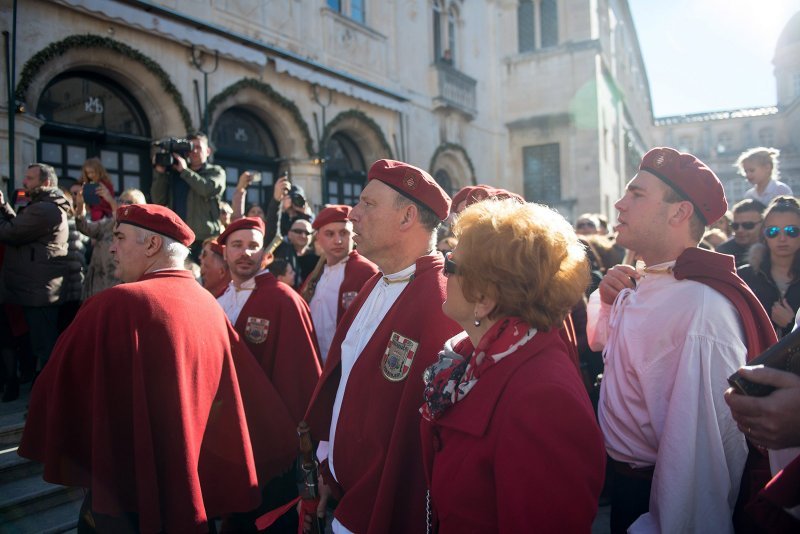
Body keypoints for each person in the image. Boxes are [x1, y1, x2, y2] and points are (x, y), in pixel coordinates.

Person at [18, 203, 297, 532]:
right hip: (194, 489)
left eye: (120, 237)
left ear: (151, 245)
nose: (111, 247)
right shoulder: (210, 304)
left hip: (125, 498)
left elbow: (52, 393)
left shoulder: (116, 303)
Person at [586, 147, 776, 533]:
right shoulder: (645, 280)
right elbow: (602, 344)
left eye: (636, 194)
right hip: (623, 486)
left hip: (652, 500)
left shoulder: (701, 308)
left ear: (679, 212)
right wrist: (606, 300)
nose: (620, 205)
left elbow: (699, 461)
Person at [420, 198, 605, 532]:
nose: (443, 272)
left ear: (486, 297)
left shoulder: (542, 398)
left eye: (450, 265)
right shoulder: (473, 360)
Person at [303, 159, 462, 533]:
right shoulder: (378, 282)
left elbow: (421, 437)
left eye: (367, 204)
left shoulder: (441, 301)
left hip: (385, 510)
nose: (353, 215)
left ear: (407, 217)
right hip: (345, 497)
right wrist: (329, 469)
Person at [217, 216, 321, 423]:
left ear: (264, 254)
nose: (245, 252)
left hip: (268, 423)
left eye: (253, 246)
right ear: (225, 253)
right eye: (237, 245)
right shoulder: (218, 298)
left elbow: (302, 376)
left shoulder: (285, 300)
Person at [0, 163, 71, 372]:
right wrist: (4, 207)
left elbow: (10, 232)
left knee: (44, 349)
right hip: (37, 289)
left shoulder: (45, 209)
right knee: (40, 346)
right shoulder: (43, 206)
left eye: (30, 178)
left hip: (40, 291)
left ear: (46, 182)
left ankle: (48, 397)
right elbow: (20, 226)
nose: (24, 182)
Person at [300, 205, 378, 363]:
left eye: (344, 233)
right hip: (315, 362)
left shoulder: (366, 272)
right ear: (318, 238)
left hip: (347, 363)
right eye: (329, 234)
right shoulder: (315, 276)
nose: (338, 240)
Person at [151, 131, 225, 256]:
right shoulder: (175, 173)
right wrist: (160, 173)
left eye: (198, 147)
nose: (194, 151)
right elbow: (158, 200)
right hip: (179, 238)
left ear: (208, 151)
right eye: (190, 147)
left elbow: (207, 189)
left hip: (205, 239)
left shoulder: (215, 172)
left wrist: (185, 171)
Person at [738, 196, 800, 339]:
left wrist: (792, 324)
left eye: (792, 231)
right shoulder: (744, 277)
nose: (782, 238)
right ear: (763, 234)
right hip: (755, 360)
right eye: (773, 231)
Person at [76, 187, 146, 299]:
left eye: (127, 202)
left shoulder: (140, 232)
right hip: (96, 288)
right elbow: (84, 227)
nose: (122, 204)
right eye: (120, 201)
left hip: (118, 291)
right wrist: (80, 205)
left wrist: (110, 200)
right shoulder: (110, 223)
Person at [716, 198, 767, 267]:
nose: (740, 230)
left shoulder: (775, 248)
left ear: (764, 225)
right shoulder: (723, 253)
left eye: (748, 225)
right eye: (735, 226)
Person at [274, 218, 319, 287]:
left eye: (307, 233)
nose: (303, 235)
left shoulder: (316, 258)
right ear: (289, 233)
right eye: (298, 231)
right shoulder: (279, 250)